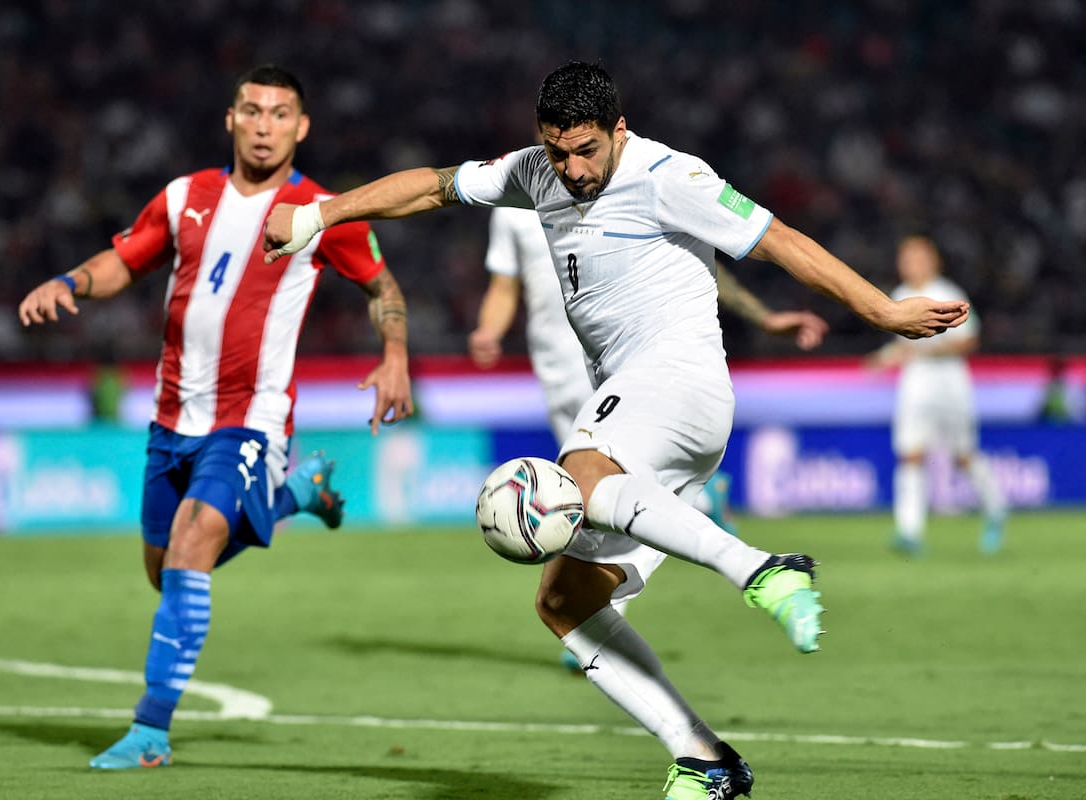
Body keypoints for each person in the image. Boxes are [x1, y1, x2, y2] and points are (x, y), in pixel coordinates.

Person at [262, 61, 967, 800]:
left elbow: (779, 240)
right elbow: (431, 186)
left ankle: (761, 568)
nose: (571, 168)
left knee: (584, 473)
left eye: (587, 150)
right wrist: (319, 215)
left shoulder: (670, 175)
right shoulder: (536, 174)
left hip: (680, 383)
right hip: (643, 413)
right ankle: (702, 757)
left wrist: (881, 312)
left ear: (618, 130)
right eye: (558, 150)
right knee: (565, 604)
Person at [18, 64, 413, 769]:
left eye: (280, 113)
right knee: (163, 571)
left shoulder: (320, 210)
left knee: (194, 543)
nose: (265, 125)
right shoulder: (183, 197)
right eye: (253, 111)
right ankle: (297, 496)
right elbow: (124, 262)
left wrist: (395, 353)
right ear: (230, 119)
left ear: (302, 127)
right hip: (173, 419)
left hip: (251, 421)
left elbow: (381, 284)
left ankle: (149, 732)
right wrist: (71, 281)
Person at [469, 207, 830, 671]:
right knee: (593, 502)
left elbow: (693, 263)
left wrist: (762, 317)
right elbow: (505, 284)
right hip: (556, 367)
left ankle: (604, 615)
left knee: (594, 496)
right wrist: (489, 330)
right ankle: (696, 507)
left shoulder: (621, 183)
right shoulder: (512, 202)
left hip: (625, 362)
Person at [866, 234, 1006, 556]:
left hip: (950, 382)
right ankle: (909, 531)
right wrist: (884, 358)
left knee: (964, 456)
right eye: (905, 258)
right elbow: (903, 347)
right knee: (911, 454)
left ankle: (995, 508)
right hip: (916, 384)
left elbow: (969, 341)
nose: (909, 264)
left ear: (932, 261)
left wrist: (928, 351)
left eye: (916, 257)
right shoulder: (899, 296)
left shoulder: (947, 294)